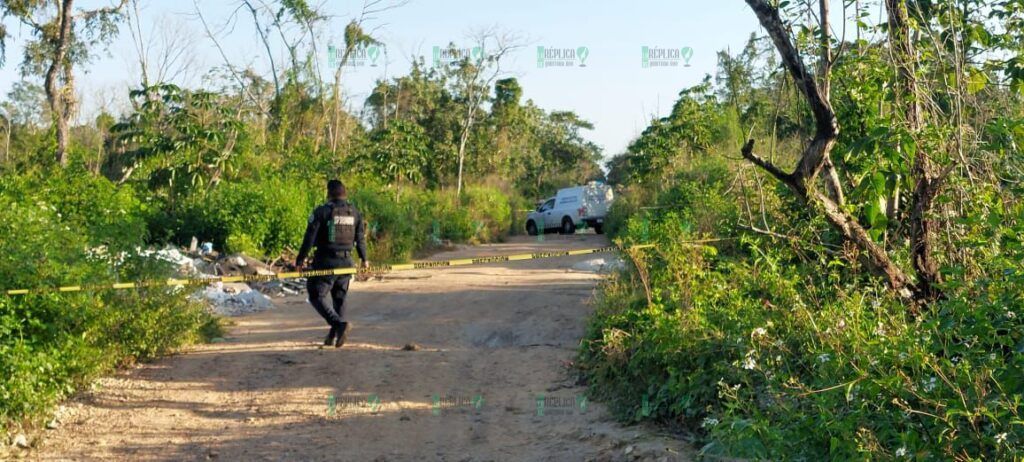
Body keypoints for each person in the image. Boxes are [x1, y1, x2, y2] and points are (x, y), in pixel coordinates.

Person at [295, 179, 369, 348]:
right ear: (345, 193)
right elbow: (360, 239)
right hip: (347, 262)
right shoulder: (354, 213)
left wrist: (300, 260)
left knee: (315, 295)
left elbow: (309, 238)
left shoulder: (322, 212)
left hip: (326, 262)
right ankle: (333, 336)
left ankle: (338, 324)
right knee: (340, 299)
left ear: (329, 193)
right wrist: (364, 259)